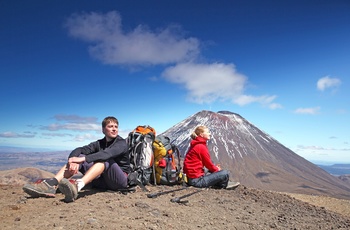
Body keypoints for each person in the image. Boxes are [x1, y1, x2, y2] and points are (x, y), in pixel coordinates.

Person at [23, 116, 130, 202]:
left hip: (119, 181)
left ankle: (77, 187)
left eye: (116, 126)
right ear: (103, 129)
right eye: (110, 126)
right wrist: (72, 160)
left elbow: (107, 154)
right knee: (79, 157)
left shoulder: (121, 143)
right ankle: (52, 184)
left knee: (104, 160)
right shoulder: (99, 143)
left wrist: (83, 159)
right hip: (101, 181)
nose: (114, 129)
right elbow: (80, 149)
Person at [183, 125, 240, 189]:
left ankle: (217, 180)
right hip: (197, 181)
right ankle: (221, 186)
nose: (209, 133)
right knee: (225, 173)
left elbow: (208, 163)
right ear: (201, 135)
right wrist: (217, 170)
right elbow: (208, 164)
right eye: (207, 132)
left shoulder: (196, 144)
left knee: (213, 164)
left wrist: (214, 168)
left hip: (191, 178)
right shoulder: (201, 147)